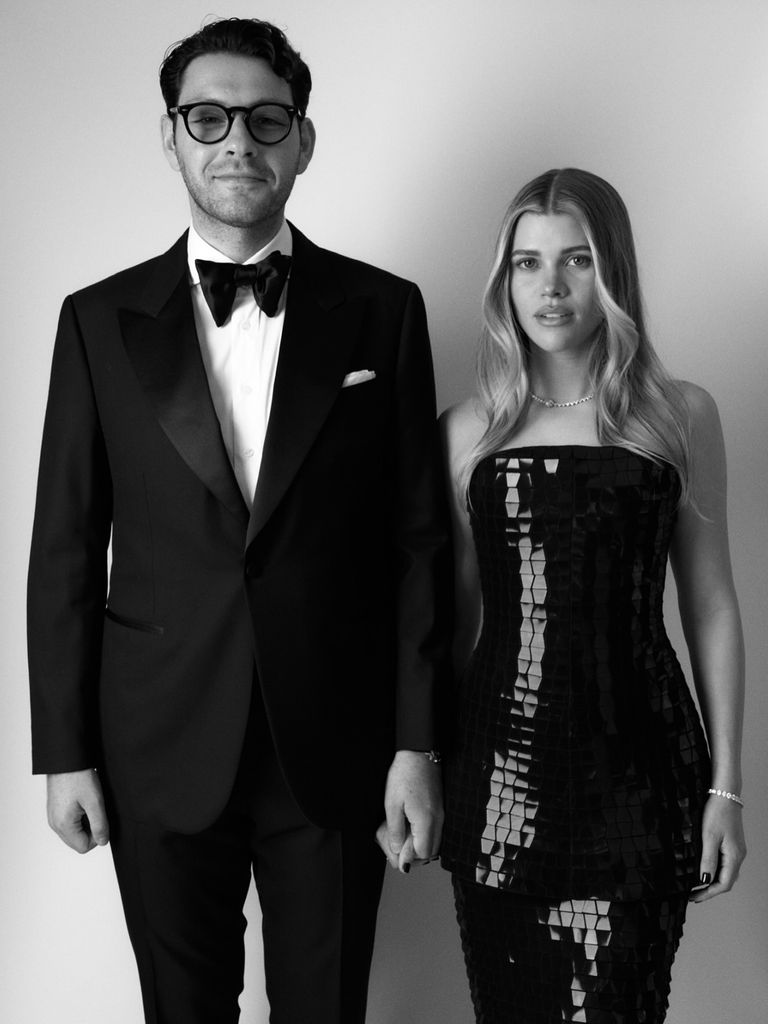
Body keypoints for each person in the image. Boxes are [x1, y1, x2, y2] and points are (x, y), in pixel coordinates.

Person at [27, 17, 449, 1024]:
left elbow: (419, 543)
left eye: (266, 119)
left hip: (339, 744)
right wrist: (64, 750)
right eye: (207, 117)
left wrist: (416, 742)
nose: (237, 142)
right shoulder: (97, 321)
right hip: (155, 742)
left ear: (303, 141)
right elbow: (65, 547)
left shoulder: (384, 312)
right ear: (170, 136)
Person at [439, 168, 746, 1023]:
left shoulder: (679, 414)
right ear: (505, 280)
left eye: (576, 260)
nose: (551, 286)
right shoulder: (468, 430)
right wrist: (421, 764)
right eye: (528, 264)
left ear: (612, 273)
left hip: (643, 782)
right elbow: (454, 624)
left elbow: (712, 605)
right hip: (497, 784)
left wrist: (726, 788)